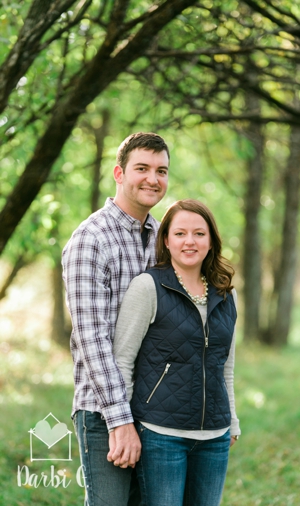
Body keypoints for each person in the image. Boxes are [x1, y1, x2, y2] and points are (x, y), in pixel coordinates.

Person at [63, 132, 171, 505]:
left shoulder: (162, 237)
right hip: (103, 410)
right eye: (142, 168)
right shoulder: (90, 239)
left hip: (156, 409)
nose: (152, 179)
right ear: (119, 173)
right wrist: (119, 421)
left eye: (161, 170)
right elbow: (91, 338)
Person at [113, 199, 240, 506]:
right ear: (166, 240)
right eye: (180, 233)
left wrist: (232, 419)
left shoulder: (226, 292)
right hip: (161, 435)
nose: (190, 241)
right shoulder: (147, 287)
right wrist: (126, 425)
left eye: (199, 233)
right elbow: (123, 361)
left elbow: (226, 366)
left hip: (215, 436)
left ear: (211, 241)